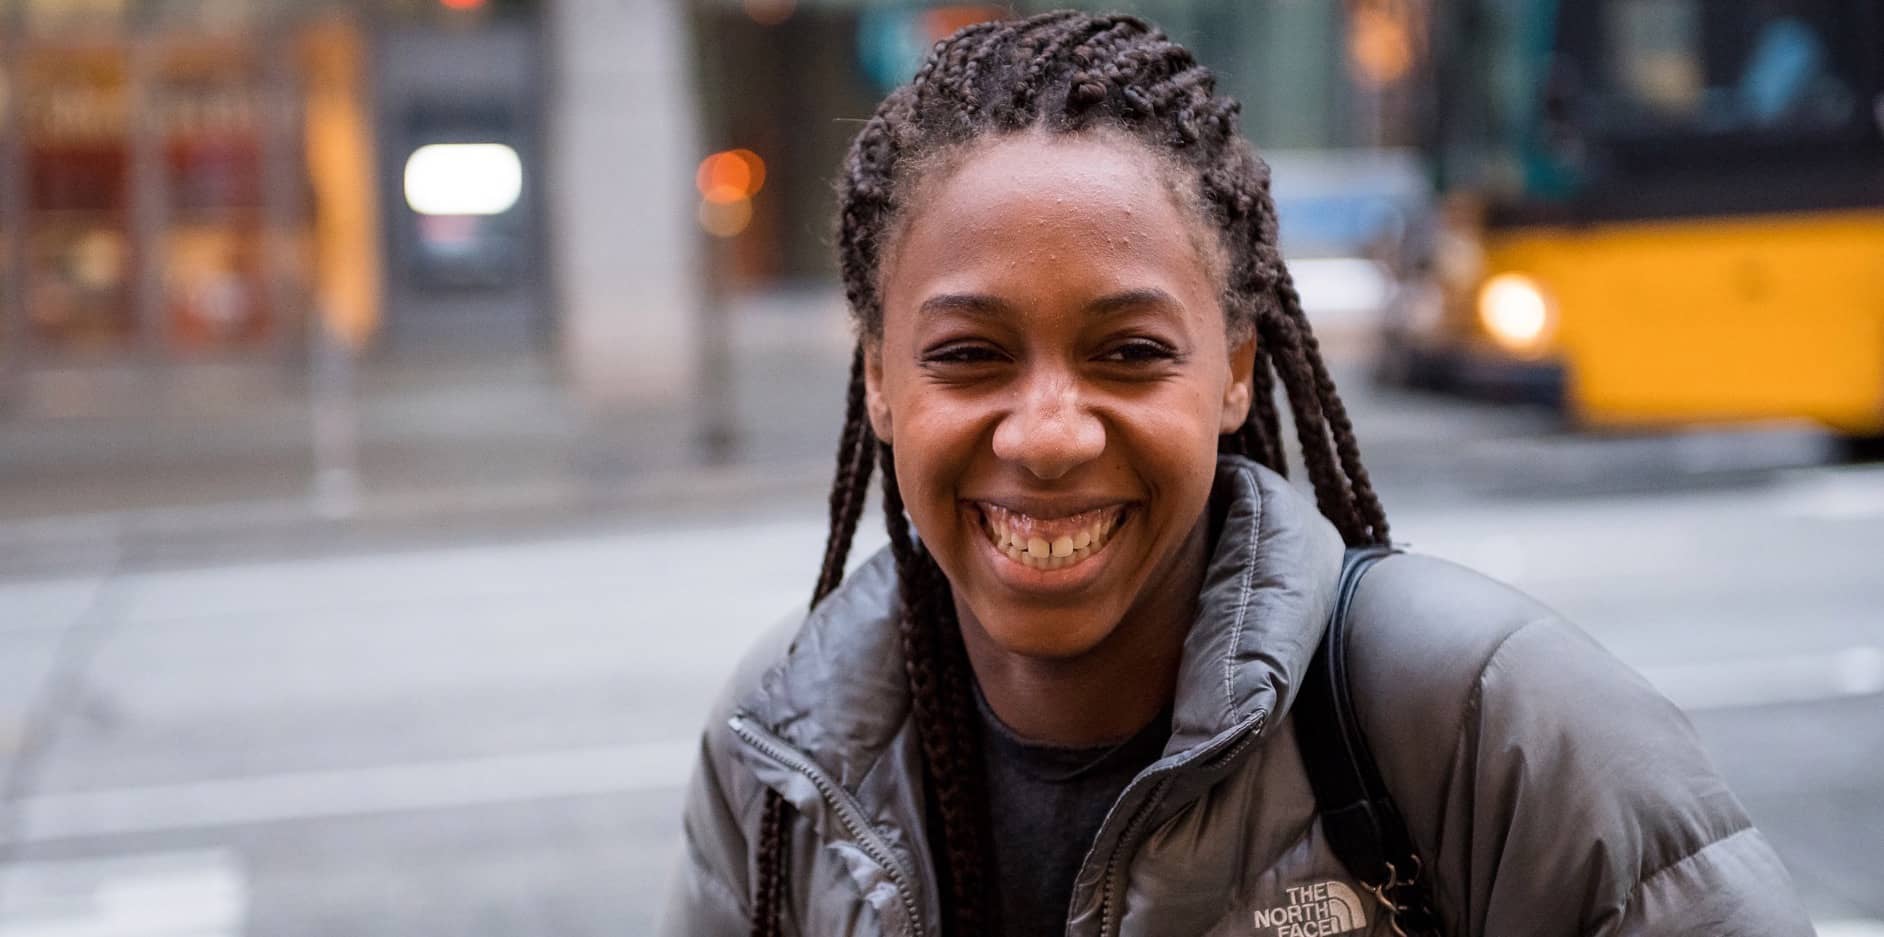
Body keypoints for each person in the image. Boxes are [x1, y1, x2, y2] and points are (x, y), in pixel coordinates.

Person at [660, 11, 1814, 937]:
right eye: (969, 355)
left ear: (1237, 374)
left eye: (1130, 353)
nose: (1049, 432)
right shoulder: (780, 751)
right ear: (877, 382)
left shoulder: (1484, 716)